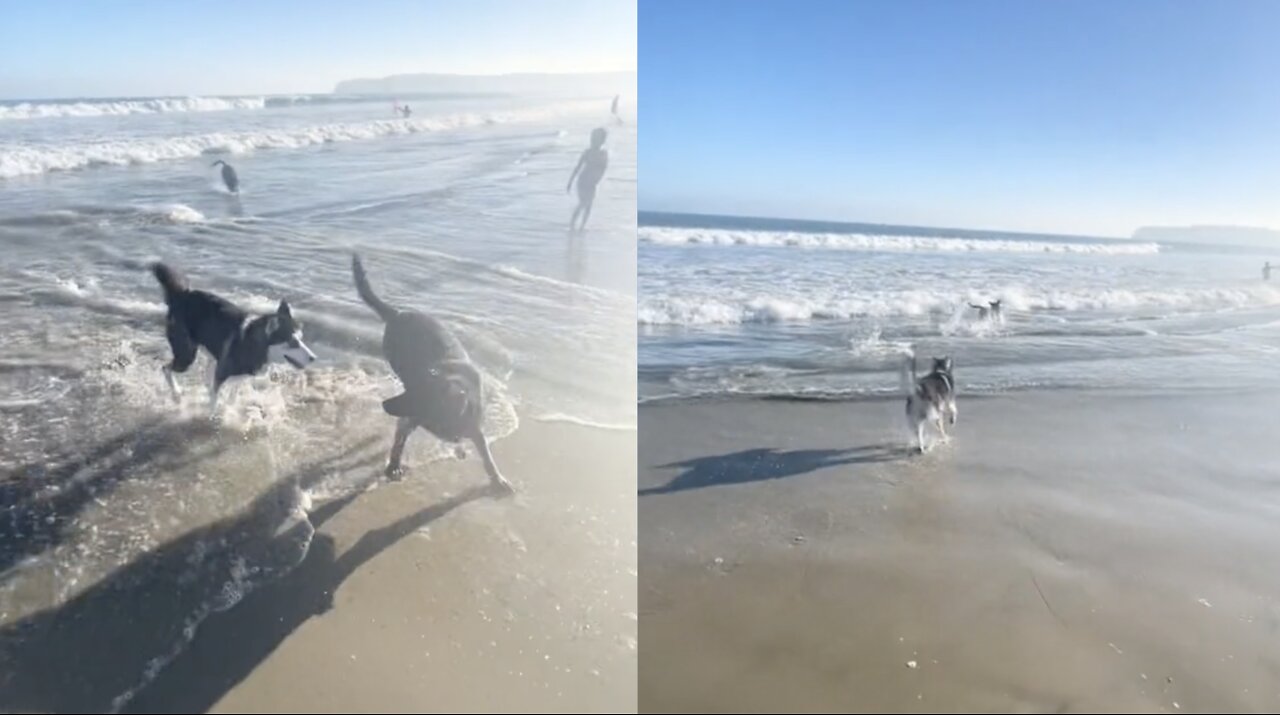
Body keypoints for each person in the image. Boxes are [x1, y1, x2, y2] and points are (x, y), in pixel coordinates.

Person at [567, 127, 609, 232]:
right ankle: (572, 226)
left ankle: (581, 227)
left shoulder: (604, 154)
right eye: (594, 139)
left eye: (599, 139)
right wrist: (570, 182)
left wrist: (598, 179)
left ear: (602, 141)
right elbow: (578, 167)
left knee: (588, 206)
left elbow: (603, 168)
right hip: (583, 181)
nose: (594, 141)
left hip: (592, 183)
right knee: (583, 203)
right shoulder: (587, 152)